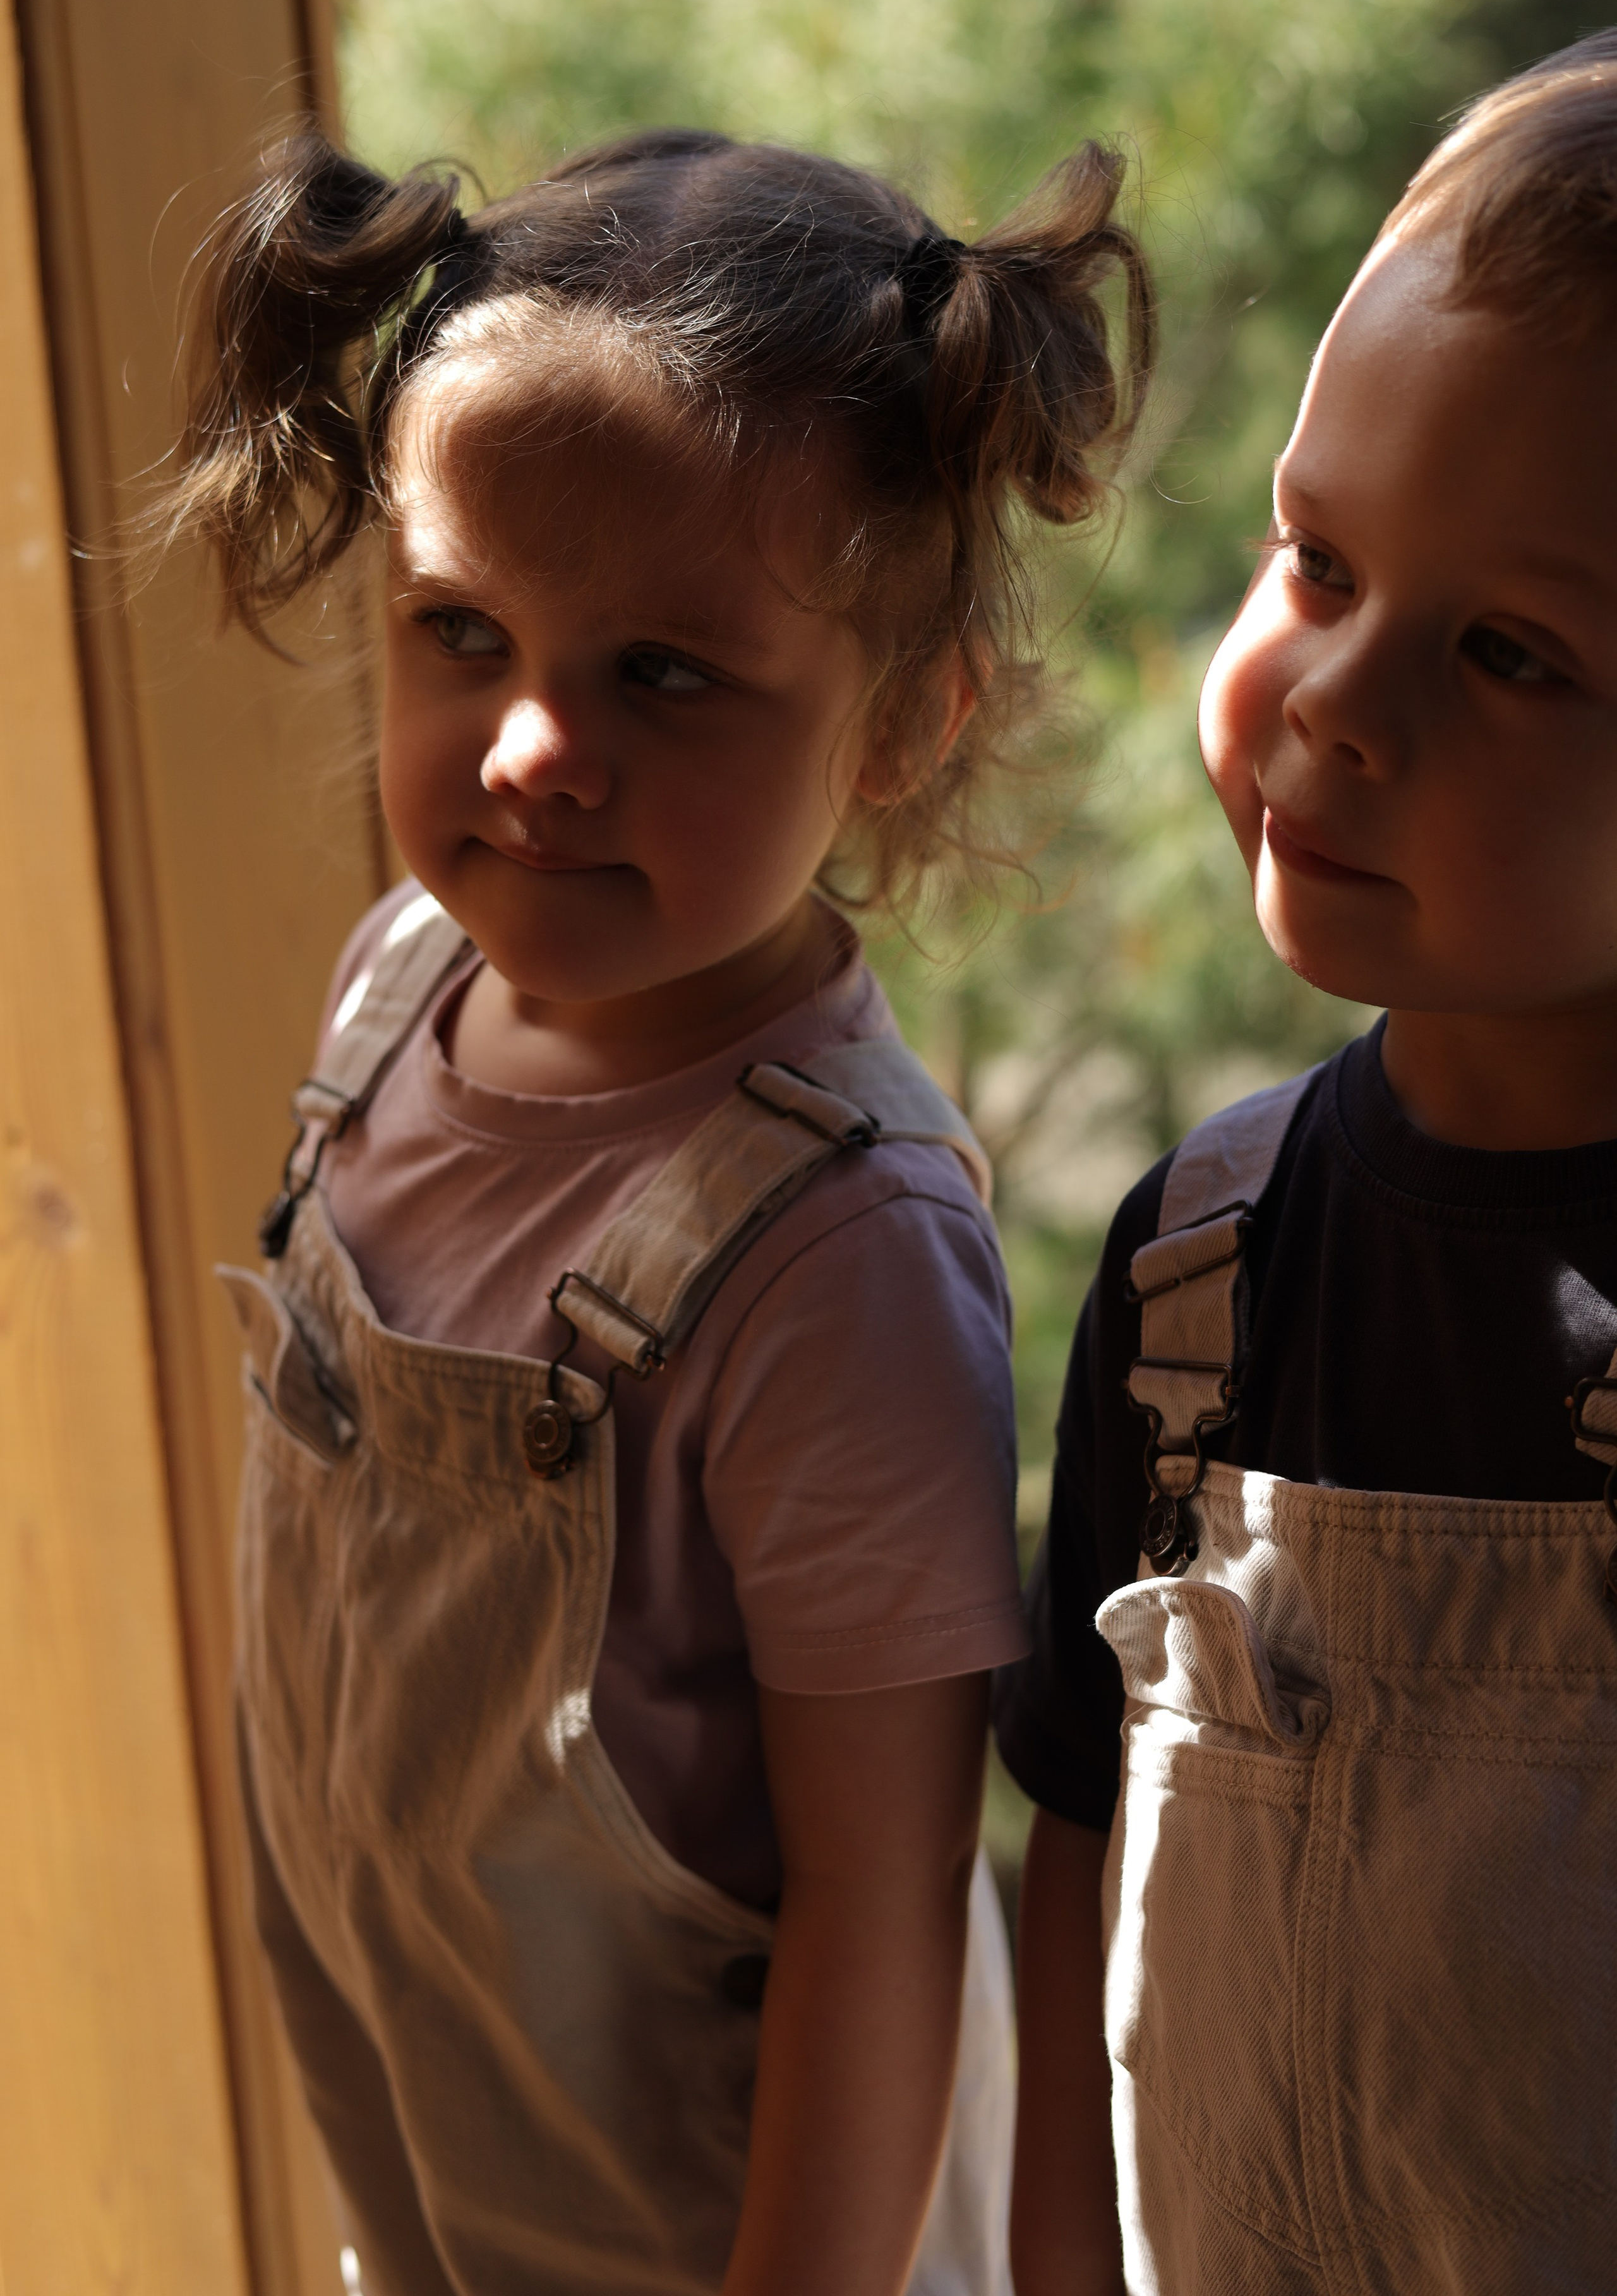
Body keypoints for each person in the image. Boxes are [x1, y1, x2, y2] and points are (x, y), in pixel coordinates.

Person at [165, 124, 1153, 2296]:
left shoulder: (835, 1260)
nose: (530, 749)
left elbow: (884, 1927)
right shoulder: (399, 988)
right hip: (440, 2141)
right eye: (461, 629)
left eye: (663, 674)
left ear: (907, 720)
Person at [998, 32, 1617, 2296]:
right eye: (1317, 556)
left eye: (1517, 654)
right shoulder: (1198, 1275)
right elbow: (1082, 1842)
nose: (1337, 697)